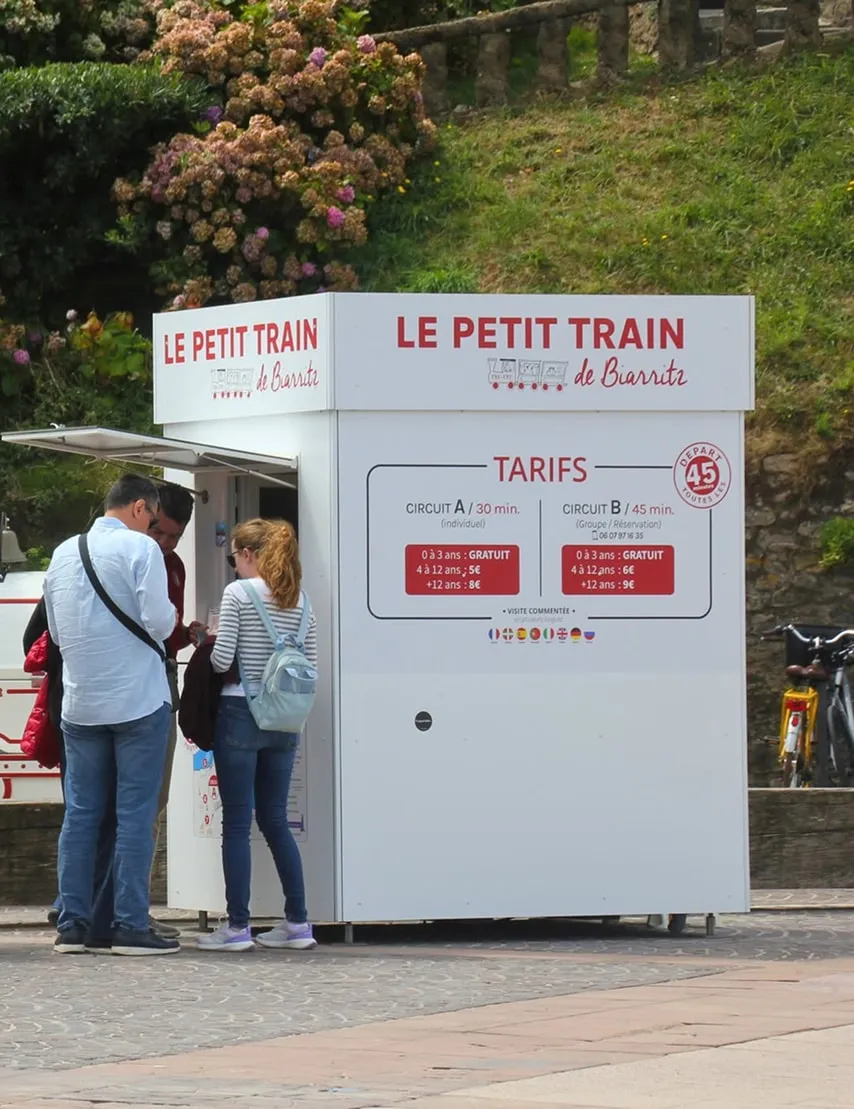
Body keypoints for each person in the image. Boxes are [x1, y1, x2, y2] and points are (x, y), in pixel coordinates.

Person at [44, 473, 179, 956]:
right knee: (134, 816)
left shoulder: (62, 553)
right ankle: (127, 924)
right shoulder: (142, 552)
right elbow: (162, 623)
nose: (153, 528)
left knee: (80, 816)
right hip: (139, 701)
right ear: (140, 508)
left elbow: (56, 635)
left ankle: (74, 925)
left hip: (81, 705)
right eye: (154, 519)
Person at [198, 518, 317, 953]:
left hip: (241, 712)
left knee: (236, 823)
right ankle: (298, 923)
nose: (234, 566)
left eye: (234, 558)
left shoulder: (238, 594)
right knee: (274, 820)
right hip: (285, 720)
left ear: (249, 555)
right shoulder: (300, 600)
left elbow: (222, 657)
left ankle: (237, 927)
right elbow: (311, 662)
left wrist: (205, 642)